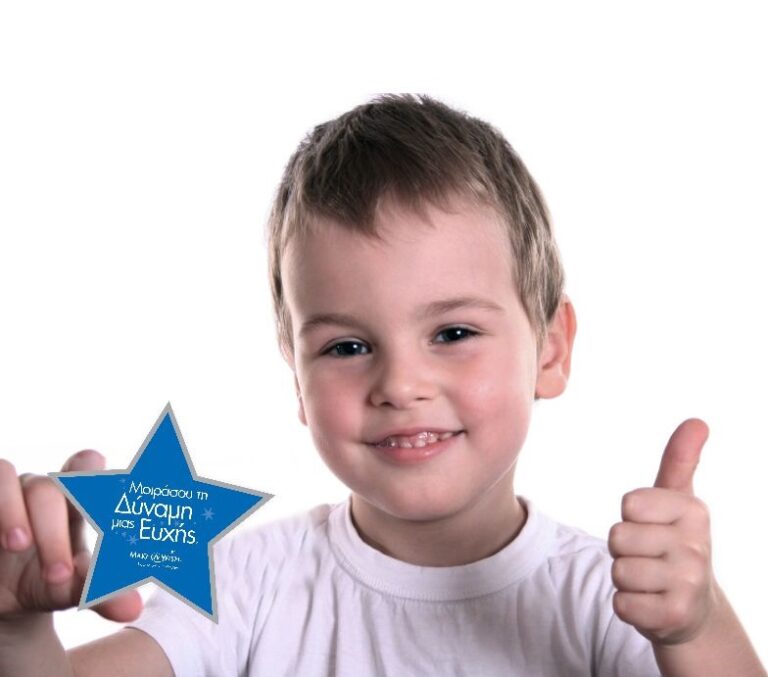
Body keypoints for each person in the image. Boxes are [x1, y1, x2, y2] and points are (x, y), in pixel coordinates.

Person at [0, 94, 764, 677]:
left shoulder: (617, 598)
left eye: (453, 333)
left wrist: (696, 629)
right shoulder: (244, 586)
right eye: (348, 346)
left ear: (551, 349)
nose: (399, 383)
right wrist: (14, 629)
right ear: (297, 378)